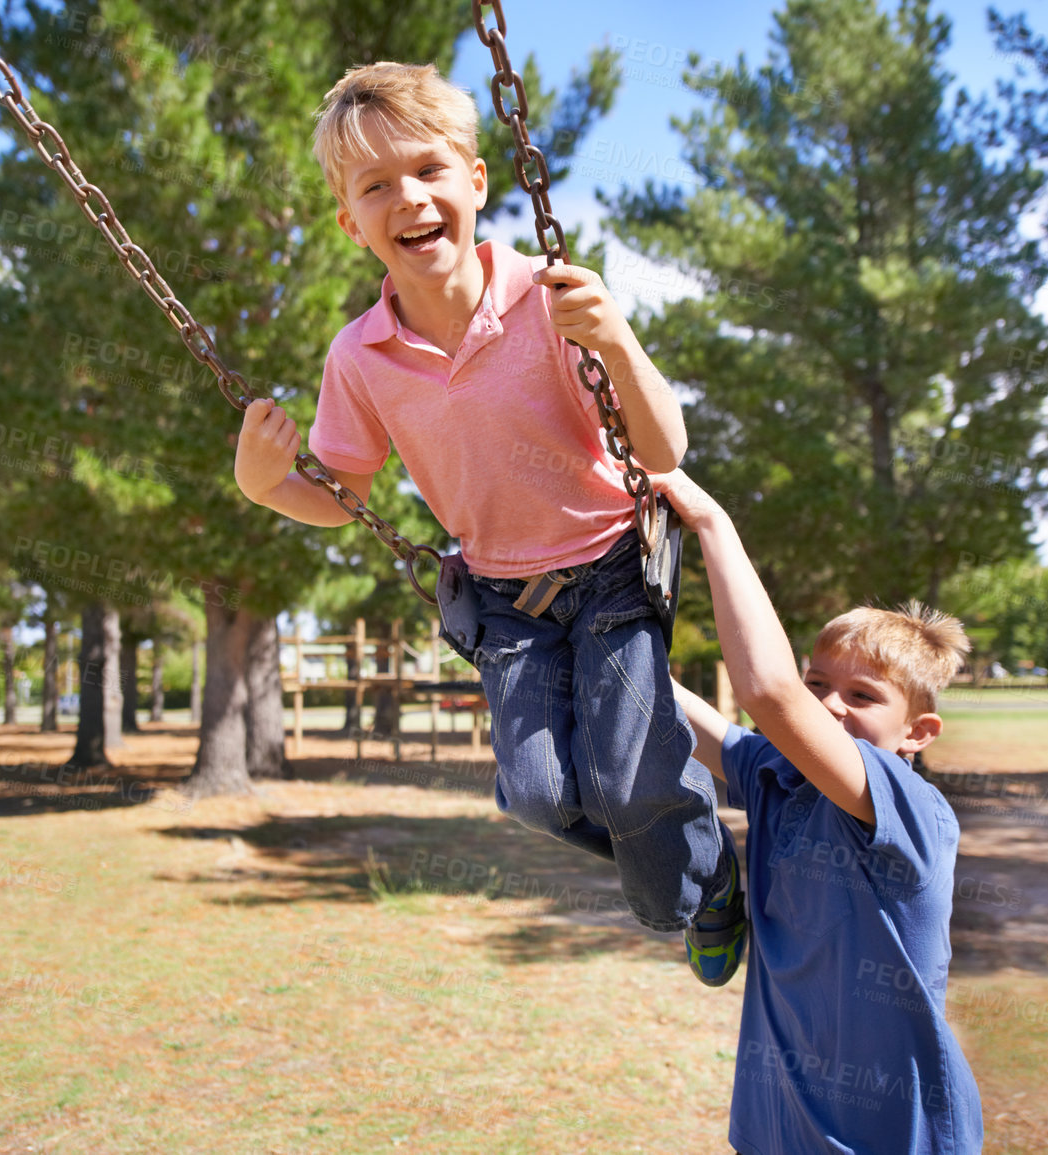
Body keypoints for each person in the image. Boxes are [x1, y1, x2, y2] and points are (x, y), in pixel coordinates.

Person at [231, 63, 746, 982]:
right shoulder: (360, 357)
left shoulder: (548, 301)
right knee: (539, 797)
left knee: (630, 781)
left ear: (475, 181)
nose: (409, 198)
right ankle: (692, 865)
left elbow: (661, 449)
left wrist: (617, 341)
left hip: (611, 570)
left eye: (428, 170)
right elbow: (340, 489)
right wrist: (268, 485)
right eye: (376, 185)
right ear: (351, 223)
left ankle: (696, 882)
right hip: (505, 598)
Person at [655, 468, 984, 1153]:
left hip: (893, 1134)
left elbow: (769, 692)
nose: (831, 705)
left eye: (862, 695)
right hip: (775, 1125)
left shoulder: (910, 809)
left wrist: (711, 523)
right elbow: (676, 709)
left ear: (916, 735)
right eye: (818, 685)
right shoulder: (781, 777)